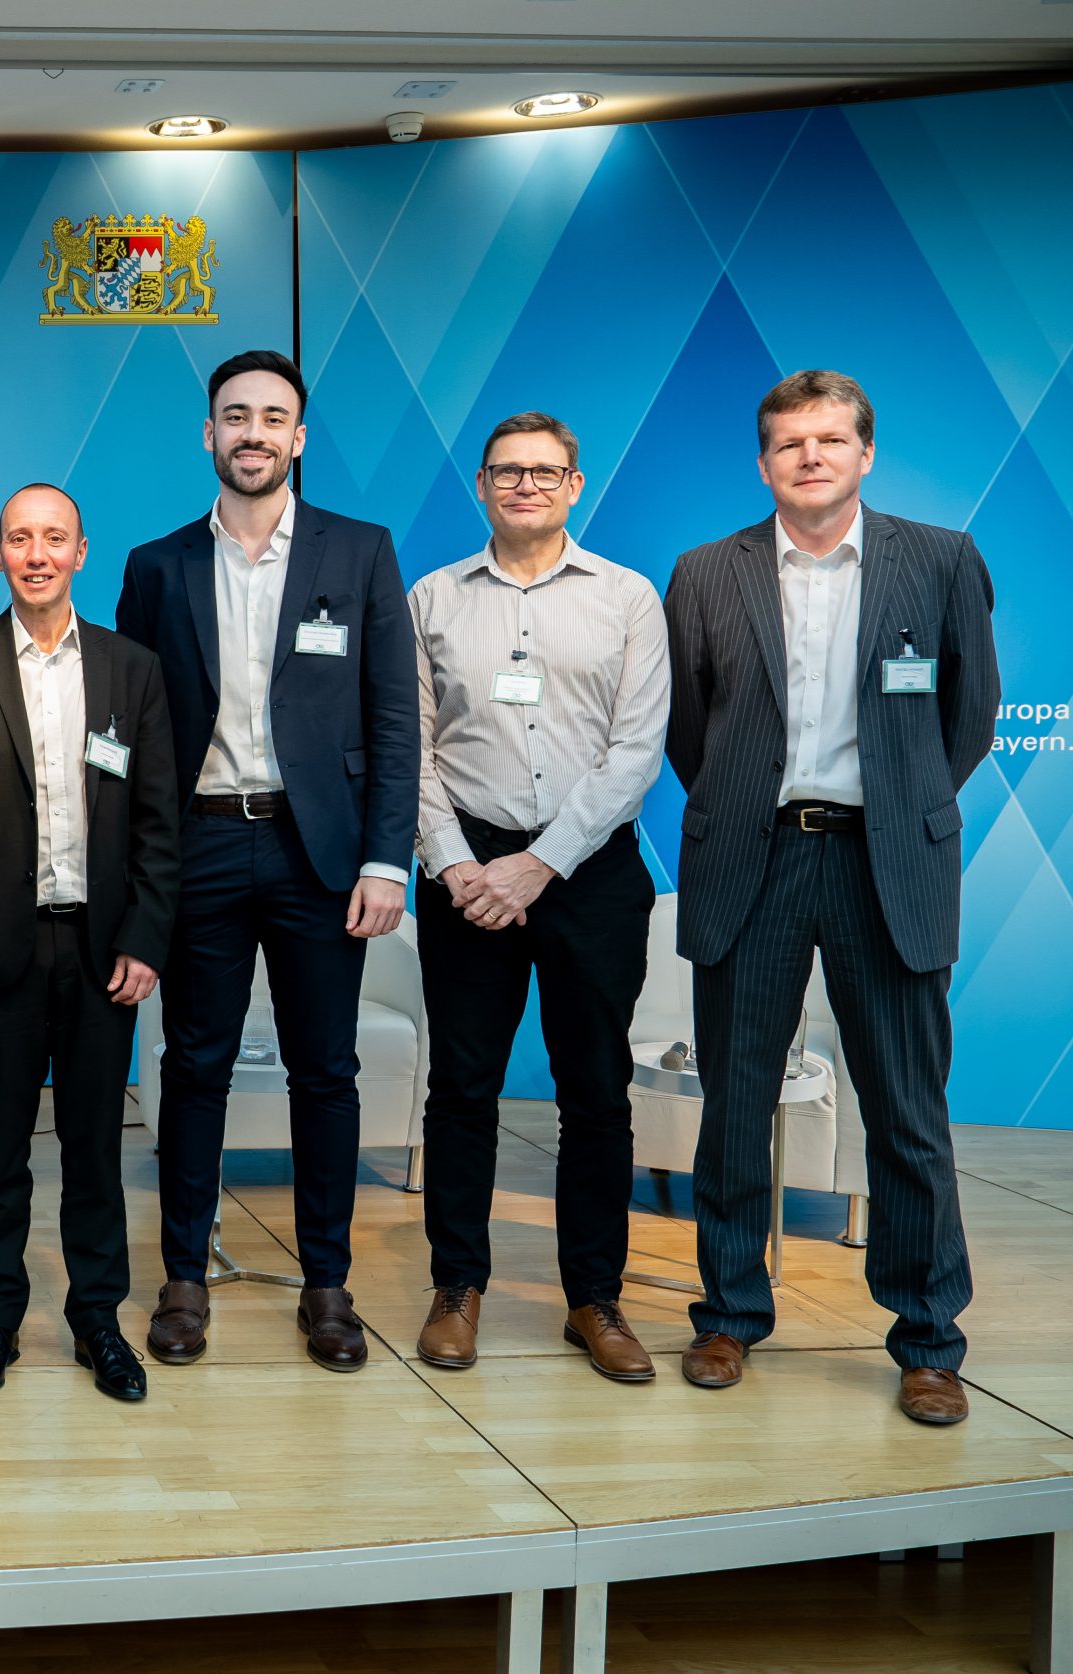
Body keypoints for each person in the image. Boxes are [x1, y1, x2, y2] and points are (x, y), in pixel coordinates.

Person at [665, 370, 998, 1425]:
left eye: (829, 440)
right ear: (762, 462)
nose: (809, 457)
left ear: (865, 453)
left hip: (884, 864)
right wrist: (745, 806)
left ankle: (928, 1340)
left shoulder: (940, 560)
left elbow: (969, 716)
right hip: (752, 859)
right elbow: (689, 730)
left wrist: (898, 806)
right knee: (734, 1106)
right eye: (788, 443)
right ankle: (728, 1313)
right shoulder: (705, 571)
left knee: (906, 1113)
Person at [114, 350, 416, 1373]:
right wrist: (138, 865)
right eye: (235, 416)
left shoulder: (360, 551)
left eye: (273, 417)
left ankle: (327, 1285)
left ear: (298, 436)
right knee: (192, 1065)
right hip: (197, 841)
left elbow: (393, 718)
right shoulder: (156, 566)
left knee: (324, 1071)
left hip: (316, 851)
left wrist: (386, 859)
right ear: (209, 434)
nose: (253, 433)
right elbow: (132, 725)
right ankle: (183, 1280)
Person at [408, 412, 669, 1380]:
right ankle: (456, 1288)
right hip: (466, 875)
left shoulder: (628, 598)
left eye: (545, 471)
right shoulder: (432, 597)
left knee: (595, 1092)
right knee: (461, 1090)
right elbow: (408, 747)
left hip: (589, 872)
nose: (526, 485)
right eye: (507, 471)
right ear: (481, 485)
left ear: (574, 484)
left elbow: (634, 753)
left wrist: (543, 862)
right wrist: (452, 862)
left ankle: (594, 1298)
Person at [0, 483, 179, 1402]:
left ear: (80, 552)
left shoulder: (131, 669)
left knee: (95, 1147)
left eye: (54, 538)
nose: (37, 554)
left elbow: (158, 821)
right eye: (20, 538)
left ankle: (97, 1318)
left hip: (105, 950)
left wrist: (147, 936)